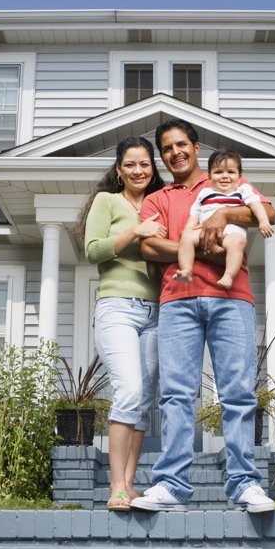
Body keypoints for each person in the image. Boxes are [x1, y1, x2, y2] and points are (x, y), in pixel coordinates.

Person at [130, 119, 275, 513]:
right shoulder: (158, 198)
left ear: (196, 148)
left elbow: (268, 212)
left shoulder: (223, 179)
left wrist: (223, 218)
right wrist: (195, 246)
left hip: (232, 298)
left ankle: (245, 484)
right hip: (177, 300)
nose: (174, 152)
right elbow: (148, 247)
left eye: (181, 144)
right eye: (166, 148)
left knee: (238, 393)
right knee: (176, 394)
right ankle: (171, 485)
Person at [79, 136, 166, 511]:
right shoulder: (107, 201)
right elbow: (93, 249)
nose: (138, 170)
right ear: (119, 169)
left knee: (143, 400)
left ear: (152, 167)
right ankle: (115, 486)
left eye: (145, 164)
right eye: (130, 164)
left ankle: (130, 486)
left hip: (155, 311)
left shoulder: (158, 204)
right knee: (129, 388)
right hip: (116, 307)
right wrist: (136, 231)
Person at [173, 149, 274, 289]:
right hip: (205, 232)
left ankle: (229, 274)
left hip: (232, 234)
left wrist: (263, 221)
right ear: (209, 177)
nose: (224, 176)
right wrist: (187, 231)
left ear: (240, 177)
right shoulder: (205, 193)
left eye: (230, 172)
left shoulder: (242, 190)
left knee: (238, 242)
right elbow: (194, 214)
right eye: (218, 172)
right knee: (186, 238)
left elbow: (255, 205)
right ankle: (186, 270)